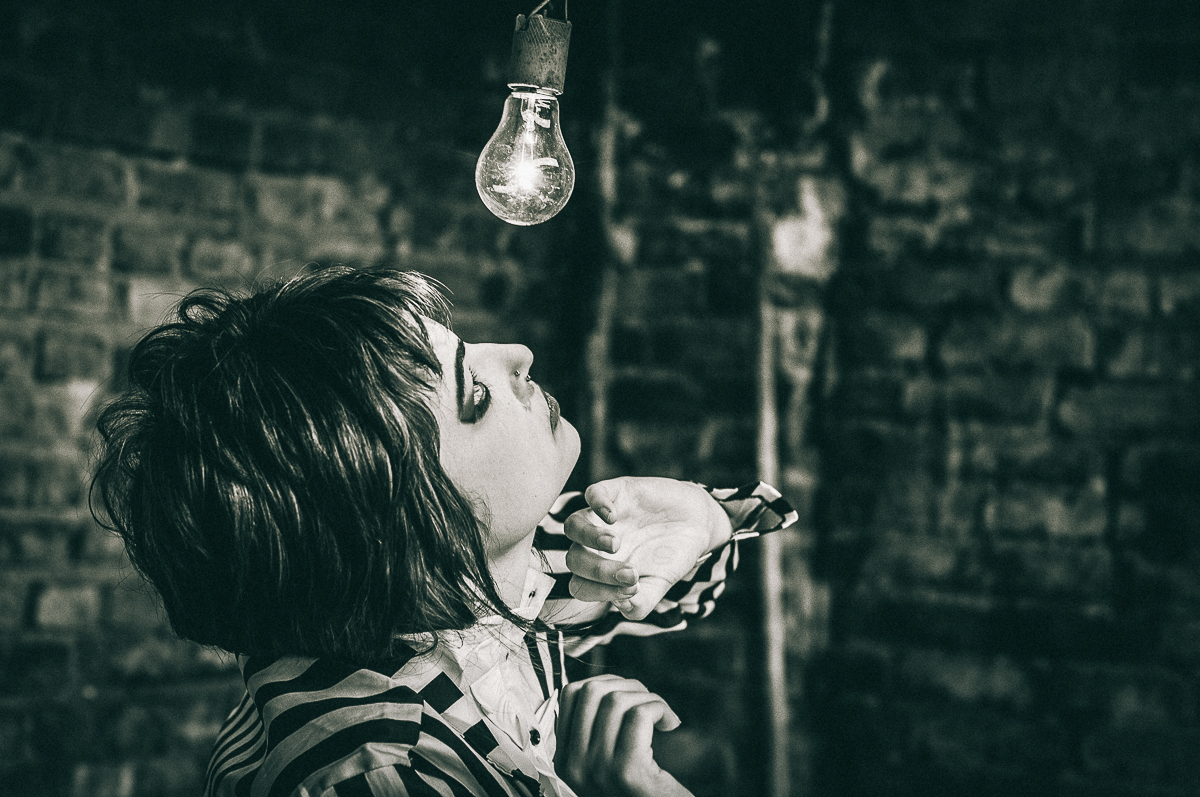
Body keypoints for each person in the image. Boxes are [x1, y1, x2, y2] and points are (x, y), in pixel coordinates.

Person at [90, 266, 795, 797]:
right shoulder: (380, 770)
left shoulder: (459, 591)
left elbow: (651, 586)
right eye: (475, 396)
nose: (517, 352)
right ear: (410, 533)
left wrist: (703, 517)